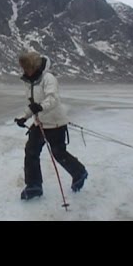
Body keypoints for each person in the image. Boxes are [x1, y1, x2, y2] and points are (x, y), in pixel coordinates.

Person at [14, 51, 88, 200]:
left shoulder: (48, 78)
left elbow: (52, 99)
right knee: (31, 152)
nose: (25, 70)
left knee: (58, 153)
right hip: (39, 123)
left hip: (55, 123)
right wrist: (24, 117)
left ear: (35, 66)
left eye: (27, 67)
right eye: (24, 68)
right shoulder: (30, 81)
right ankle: (34, 185)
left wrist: (40, 108)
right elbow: (33, 104)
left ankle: (79, 172)